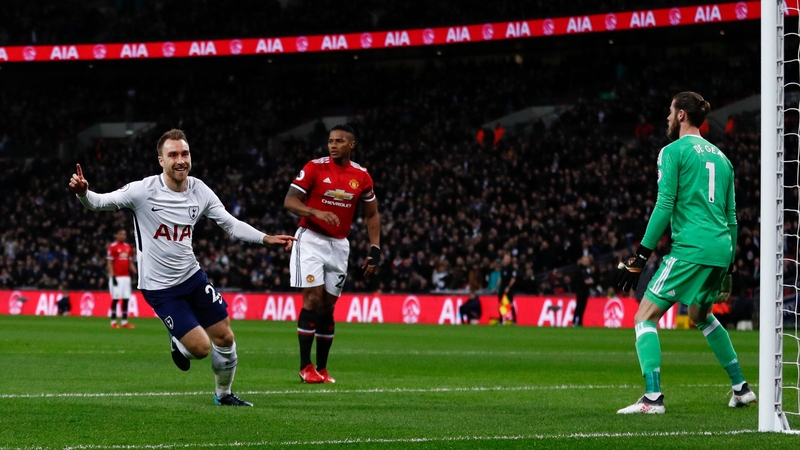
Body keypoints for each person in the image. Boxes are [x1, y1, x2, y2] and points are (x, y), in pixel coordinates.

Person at [69, 128, 295, 406]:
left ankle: (223, 395)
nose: (180, 160)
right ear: (160, 160)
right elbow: (100, 203)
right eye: (172, 154)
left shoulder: (200, 190)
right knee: (200, 349)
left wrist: (265, 238)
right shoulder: (143, 190)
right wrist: (84, 193)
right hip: (160, 288)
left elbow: (230, 224)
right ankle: (177, 341)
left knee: (225, 337)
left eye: (184, 153)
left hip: (192, 276)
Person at [615, 92, 756, 414]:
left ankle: (652, 399)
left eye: (669, 111)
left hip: (692, 247)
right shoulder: (723, 159)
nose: (666, 118)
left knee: (643, 317)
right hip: (721, 250)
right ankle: (741, 388)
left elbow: (665, 204)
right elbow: (732, 217)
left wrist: (640, 256)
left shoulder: (672, 151)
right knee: (700, 316)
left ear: (681, 115)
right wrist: (730, 268)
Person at [284, 124, 381, 384]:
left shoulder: (361, 176)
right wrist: (315, 212)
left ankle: (323, 369)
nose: (333, 145)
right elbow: (290, 201)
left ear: (351, 145)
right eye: (330, 141)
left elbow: (372, 214)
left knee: (328, 308)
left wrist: (375, 248)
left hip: (339, 245)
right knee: (313, 300)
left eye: (339, 141)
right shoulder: (315, 167)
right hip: (311, 239)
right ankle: (306, 367)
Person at [107, 229, 138, 328]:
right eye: (121, 234)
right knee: (115, 299)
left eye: (124, 234)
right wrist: (113, 275)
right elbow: (109, 263)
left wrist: (136, 272)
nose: (123, 236)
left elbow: (129, 263)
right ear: (117, 235)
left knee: (126, 299)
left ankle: (124, 321)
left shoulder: (127, 247)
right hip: (117, 277)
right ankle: (113, 321)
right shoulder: (113, 247)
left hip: (126, 277)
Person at [571, 255, 594, 327]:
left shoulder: (587, 269)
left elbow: (590, 278)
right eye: (585, 260)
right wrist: (584, 281)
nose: (587, 262)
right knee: (579, 305)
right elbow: (575, 279)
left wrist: (590, 281)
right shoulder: (578, 269)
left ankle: (580, 321)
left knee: (583, 306)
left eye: (587, 261)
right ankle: (575, 321)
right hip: (580, 290)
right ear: (582, 261)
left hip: (585, 290)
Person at [497, 253, 517, 325]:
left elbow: (513, 279)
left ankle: (514, 320)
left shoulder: (511, 268)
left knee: (510, 304)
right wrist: (496, 287)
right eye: (506, 258)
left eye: (508, 258)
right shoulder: (503, 268)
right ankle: (501, 320)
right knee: (500, 304)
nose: (507, 260)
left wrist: (508, 287)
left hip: (509, 288)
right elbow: (501, 278)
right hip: (502, 288)